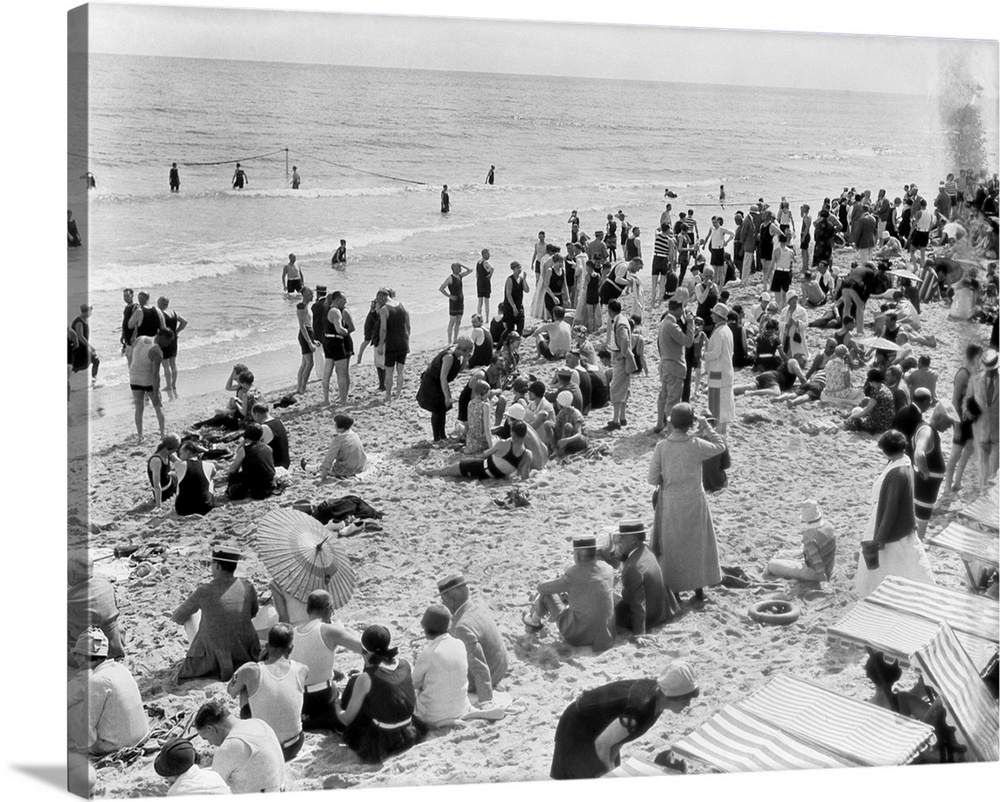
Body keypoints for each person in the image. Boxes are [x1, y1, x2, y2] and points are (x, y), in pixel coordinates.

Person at [549, 661, 699, 780]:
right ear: (671, 696)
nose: (688, 704)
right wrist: (611, 772)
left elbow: (619, 738)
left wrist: (611, 767)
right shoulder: (641, 710)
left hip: (600, 729)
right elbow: (602, 745)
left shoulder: (658, 699)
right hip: (579, 729)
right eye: (685, 700)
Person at [648, 404, 726, 603]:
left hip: (671, 501)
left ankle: (675, 592)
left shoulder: (662, 447)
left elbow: (652, 479)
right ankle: (699, 590)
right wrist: (707, 427)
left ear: (672, 424)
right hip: (694, 499)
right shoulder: (696, 444)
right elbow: (720, 445)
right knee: (697, 544)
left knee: (672, 546)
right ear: (690, 423)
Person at [855, 430, 936, 598]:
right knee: (910, 562)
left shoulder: (897, 473)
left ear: (886, 450)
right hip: (905, 524)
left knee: (888, 564)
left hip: (893, 528)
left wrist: (880, 539)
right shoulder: (905, 463)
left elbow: (890, 509)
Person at [336, 625, 423, 763]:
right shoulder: (405, 664)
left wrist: (337, 705)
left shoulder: (365, 678)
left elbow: (347, 719)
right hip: (409, 731)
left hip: (382, 739)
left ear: (363, 650)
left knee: (355, 689)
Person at [172, 547, 261, 682]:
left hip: (214, 659)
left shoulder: (204, 591)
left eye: (212, 563)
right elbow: (253, 613)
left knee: (191, 616)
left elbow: (179, 617)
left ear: (218, 566)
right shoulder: (247, 586)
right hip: (245, 653)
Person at [227, 624, 308, 761]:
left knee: (246, 688)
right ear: (291, 648)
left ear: (267, 647)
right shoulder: (302, 669)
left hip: (265, 748)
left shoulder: (251, 670)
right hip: (294, 745)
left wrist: (241, 671)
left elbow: (231, 691)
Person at [522, 535, 615, 652]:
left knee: (547, 595)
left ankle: (534, 622)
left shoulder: (573, 573)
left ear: (576, 554)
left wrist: (544, 584)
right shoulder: (608, 569)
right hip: (605, 636)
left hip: (578, 637)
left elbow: (542, 589)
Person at [67, 629, 149, 756]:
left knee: (73, 712)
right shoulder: (120, 668)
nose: (76, 658)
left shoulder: (97, 681)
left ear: (88, 655)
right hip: (142, 734)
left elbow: (88, 725)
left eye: (79, 654)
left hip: (115, 745)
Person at [292, 590, 364, 733]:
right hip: (323, 698)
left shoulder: (292, 632)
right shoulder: (329, 631)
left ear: (308, 609)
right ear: (328, 608)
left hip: (300, 699)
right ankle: (330, 720)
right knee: (354, 681)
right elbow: (363, 648)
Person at [436, 573, 509, 707]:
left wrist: (485, 701)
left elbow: (479, 666)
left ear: (451, 600)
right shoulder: (477, 607)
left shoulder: (462, 628)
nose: (443, 603)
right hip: (500, 669)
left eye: (443, 600)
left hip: (486, 676)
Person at [194, 700, 285, 794]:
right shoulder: (258, 723)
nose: (210, 743)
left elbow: (212, 789)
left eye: (206, 738)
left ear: (211, 729)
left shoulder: (229, 747)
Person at [612, 521, 678, 643]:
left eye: (622, 537)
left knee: (609, 600)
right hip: (663, 609)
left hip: (649, 618)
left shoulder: (632, 568)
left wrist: (639, 634)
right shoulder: (646, 549)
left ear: (632, 539)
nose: (619, 540)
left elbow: (638, 603)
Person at [412, 604, 471, 727]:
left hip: (430, 716)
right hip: (459, 710)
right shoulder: (460, 644)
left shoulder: (428, 653)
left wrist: (415, 662)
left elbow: (413, 684)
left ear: (425, 627)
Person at [419, 420, 534, 480]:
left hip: (481, 469)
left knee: (450, 469)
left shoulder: (504, 444)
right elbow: (524, 477)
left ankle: (425, 472)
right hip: (497, 475)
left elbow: (484, 455)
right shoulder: (527, 455)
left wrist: (472, 458)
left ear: (512, 433)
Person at [67, 550, 125, 664]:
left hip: (92, 655)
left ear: (72, 574)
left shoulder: (71, 600)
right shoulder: (105, 583)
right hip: (116, 644)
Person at [912, 402, 957, 539]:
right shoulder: (927, 432)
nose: (949, 427)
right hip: (923, 496)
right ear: (939, 418)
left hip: (924, 496)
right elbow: (919, 455)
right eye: (949, 422)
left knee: (917, 533)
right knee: (918, 535)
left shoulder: (929, 430)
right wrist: (925, 472)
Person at [416, 336, 474, 442]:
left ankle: (442, 435)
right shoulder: (449, 357)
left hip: (439, 383)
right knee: (437, 410)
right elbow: (443, 377)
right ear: (462, 349)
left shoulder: (457, 356)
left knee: (442, 410)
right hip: (432, 384)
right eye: (468, 351)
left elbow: (457, 371)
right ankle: (436, 438)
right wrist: (447, 396)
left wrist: (465, 360)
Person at [766, 500, 838, 582]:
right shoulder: (829, 525)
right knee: (781, 554)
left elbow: (817, 563)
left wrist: (823, 579)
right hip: (829, 566)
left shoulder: (809, 536)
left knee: (772, 565)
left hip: (814, 572)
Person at [943, 343, 983, 493]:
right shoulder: (962, 374)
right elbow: (954, 401)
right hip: (962, 419)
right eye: (980, 355)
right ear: (973, 356)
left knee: (969, 451)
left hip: (973, 420)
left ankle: (957, 482)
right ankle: (947, 485)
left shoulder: (975, 372)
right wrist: (957, 426)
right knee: (955, 454)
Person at [655, 298, 694, 432]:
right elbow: (688, 342)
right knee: (673, 401)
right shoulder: (672, 325)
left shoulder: (663, 323)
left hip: (665, 365)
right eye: (682, 309)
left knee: (663, 396)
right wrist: (690, 324)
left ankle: (660, 424)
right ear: (678, 309)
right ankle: (671, 432)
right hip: (674, 367)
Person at [153, 737, 231, 796]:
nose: (166, 778)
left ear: (172, 773)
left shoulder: (176, 793)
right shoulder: (214, 776)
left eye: (166, 775)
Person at [129, 330, 169, 443]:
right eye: (168, 341)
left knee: (138, 407)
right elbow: (155, 375)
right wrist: (156, 393)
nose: (167, 345)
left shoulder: (140, 338)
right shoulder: (157, 351)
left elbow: (132, 355)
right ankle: (162, 434)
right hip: (148, 381)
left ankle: (140, 436)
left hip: (134, 378)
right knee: (158, 405)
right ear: (163, 337)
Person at [969, 348, 1000, 488]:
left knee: (997, 459)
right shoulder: (976, 380)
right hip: (982, 426)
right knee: (983, 458)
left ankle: (993, 483)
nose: (989, 371)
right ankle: (984, 485)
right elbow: (974, 402)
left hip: (998, 427)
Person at [703, 303, 735, 435]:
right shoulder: (727, 330)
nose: (711, 316)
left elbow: (715, 353)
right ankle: (722, 434)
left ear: (718, 316)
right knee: (725, 406)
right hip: (726, 371)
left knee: (717, 408)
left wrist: (703, 355)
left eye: (713, 314)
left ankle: (719, 437)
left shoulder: (719, 332)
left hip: (718, 373)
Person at [377, 286, 411, 403]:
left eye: (378, 299)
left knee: (389, 371)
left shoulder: (384, 310)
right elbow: (408, 325)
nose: (377, 302)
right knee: (400, 371)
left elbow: (383, 329)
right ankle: (397, 394)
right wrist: (408, 339)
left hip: (392, 343)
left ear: (382, 297)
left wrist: (381, 344)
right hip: (403, 342)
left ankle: (388, 395)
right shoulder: (402, 305)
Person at [226, 423, 276, 501]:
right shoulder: (269, 448)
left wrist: (229, 476)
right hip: (269, 484)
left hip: (254, 486)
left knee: (233, 476)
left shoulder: (245, 450)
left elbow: (233, 469)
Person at [606, 298, 634, 430]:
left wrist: (622, 353)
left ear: (610, 311)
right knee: (623, 389)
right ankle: (622, 418)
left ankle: (616, 420)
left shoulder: (620, 322)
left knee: (616, 388)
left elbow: (625, 339)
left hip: (620, 359)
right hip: (622, 357)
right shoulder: (622, 320)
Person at [322, 290, 354, 406]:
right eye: (343, 300)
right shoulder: (336, 311)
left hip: (327, 341)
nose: (345, 302)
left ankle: (326, 399)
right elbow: (339, 329)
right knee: (342, 372)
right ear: (337, 299)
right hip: (336, 342)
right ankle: (343, 400)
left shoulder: (326, 310)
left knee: (327, 372)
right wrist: (345, 331)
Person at [174, 438, 217, 516]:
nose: (180, 456)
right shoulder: (209, 465)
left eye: (180, 453)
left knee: (180, 479)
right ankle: (207, 497)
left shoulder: (179, 465)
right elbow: (214, 472)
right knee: (210, 479)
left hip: (183, 509)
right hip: (205, 507)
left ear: (187, 453)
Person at [845, 368, 897, 434]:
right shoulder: (884, 387)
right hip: (886, 422)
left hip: (879, 424)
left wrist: (852, 416)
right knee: (857, 411)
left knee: (852, 422)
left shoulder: (877, 393)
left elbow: (866, 411)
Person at [319, 412, 367, 480]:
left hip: (345, 470)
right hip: (359, 467)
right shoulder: (355, 435)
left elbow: (328, 460)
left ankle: (308, 468)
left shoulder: (339, 440)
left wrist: (323, 479)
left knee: (322, 467)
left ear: (340, 427)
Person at [440, 262, 473, 343]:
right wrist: (449, 296)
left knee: (458, 321)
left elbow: (470, 270)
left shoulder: (460, 276)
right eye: (458, 267)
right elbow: (441, 288)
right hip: (453, 303)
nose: (460, 268)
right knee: (452, 322)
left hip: (460, 302)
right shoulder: (450, 278)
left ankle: (455, 339)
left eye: (459, 267)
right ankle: (449, 340)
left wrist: (462, 264)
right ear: (453, 269)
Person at [250, 403, 290, 470]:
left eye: (253, 416)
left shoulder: (264, 427)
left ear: (257, 415)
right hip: (286, 462)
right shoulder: (279, 421)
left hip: (275, 465)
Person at [295, 286, 319, 394]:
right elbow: (302, 326)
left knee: (304, 363)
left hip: (309, 333)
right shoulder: (301, 307)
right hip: (305, 335)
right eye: (310, 294)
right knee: (309, 363)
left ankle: (300, 387)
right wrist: (309, 342)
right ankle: (302, 387)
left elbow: (309, 325)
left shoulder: (308, 307)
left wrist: (313, 340)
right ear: (304, 294)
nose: (312, 296)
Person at [69, 303, 100, 385]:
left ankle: (93, 380)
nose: (91, 313)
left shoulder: (84, 320)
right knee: (76, 366)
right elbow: (80, 336)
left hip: (83, 348)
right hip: (79, 349)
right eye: (90, 311)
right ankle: (93, 381)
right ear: (86, 312)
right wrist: (90, 347)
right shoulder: (79, 322)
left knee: (95, 361)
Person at [147, 433, 180, 508]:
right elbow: (157, 485)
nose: (176, 450)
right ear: (172, 448)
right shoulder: (156, 460)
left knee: (178, 474)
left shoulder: (166, 452)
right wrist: (159, 506)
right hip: (164, 493)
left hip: (169, 483)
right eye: (176, 448)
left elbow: (180, 463)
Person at [502, 261, 531, 336]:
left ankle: (518, 341)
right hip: (510, 306)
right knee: (510, 329)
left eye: (520, 267)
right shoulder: (510, 280)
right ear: (513, 269)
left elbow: (527, 290)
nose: (520, 269)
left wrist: (524, 279)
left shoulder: (521, 279)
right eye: (518, 267)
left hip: (519, 305)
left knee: (520, 326)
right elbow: (508, 295)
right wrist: (513, 307)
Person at [475, 248, 494, 318]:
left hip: (479, 283)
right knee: (486, 301)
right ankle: (487, 318)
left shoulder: (478, 262)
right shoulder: (485, 262)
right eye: (488, 254)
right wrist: (490, 275)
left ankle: (479, 316)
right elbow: (492, 268)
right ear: (484, 254)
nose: (489, 255)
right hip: (485, 283)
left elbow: (476, 275)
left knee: (480, 302)